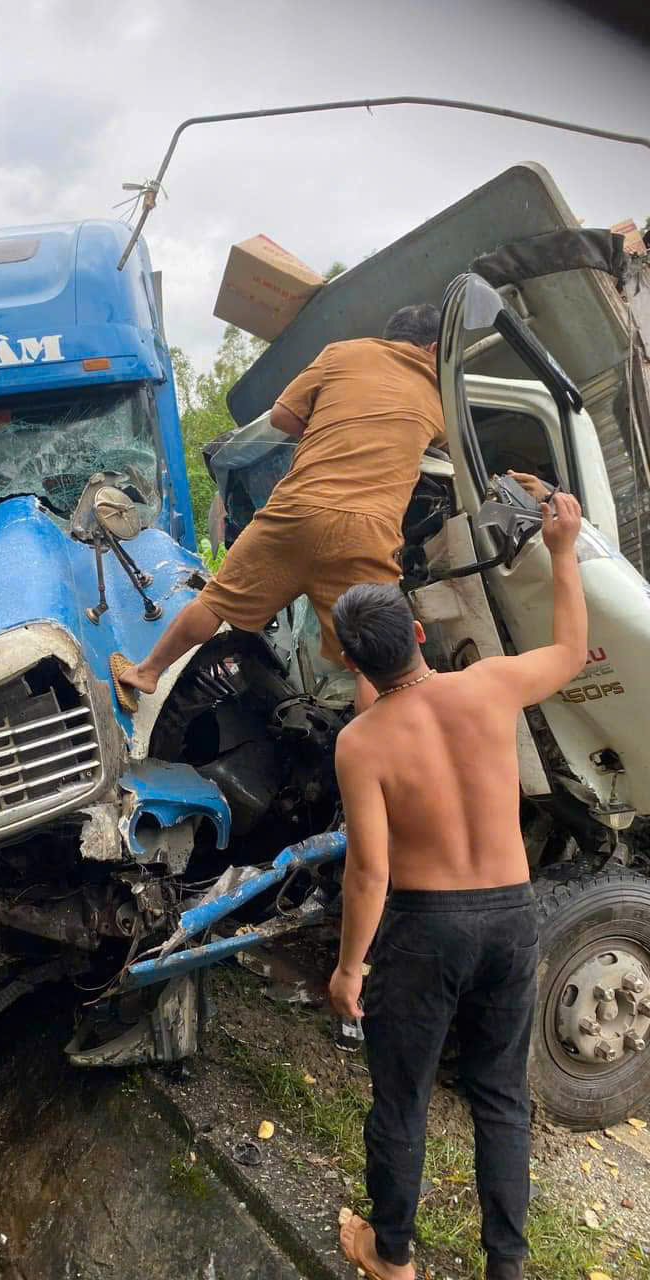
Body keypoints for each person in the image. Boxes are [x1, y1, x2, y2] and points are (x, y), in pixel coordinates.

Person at [327, 491, 587, 1280]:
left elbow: (370, 871)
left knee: (401, 1101)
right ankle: (504, 1266)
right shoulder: (491, 687)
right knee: (502, 1099)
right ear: (417, 634)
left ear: (350, 664)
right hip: (512, 918)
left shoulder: (359, 744)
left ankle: (393, 1256)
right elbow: (572, 652)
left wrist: (347, 969)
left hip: (425, 929)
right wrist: (564, 550)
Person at [115, 304, 447, 701]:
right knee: (372, 658)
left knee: (216, 601)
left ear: (389, 335)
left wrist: (328, 426)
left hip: (295, 512)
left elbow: (284, 418)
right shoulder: (437, 398)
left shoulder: (343, 353)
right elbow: (438, 454)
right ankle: (378, 757)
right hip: (366, 533)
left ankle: (147, 672)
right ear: (434, 347)